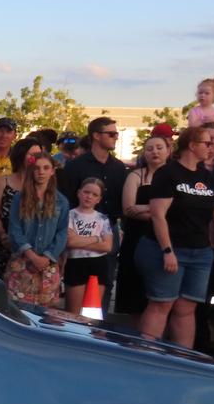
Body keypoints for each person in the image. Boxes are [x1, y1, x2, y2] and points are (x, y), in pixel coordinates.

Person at [136, 127, 214, 348]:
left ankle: (182, 357)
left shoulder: (207, 177)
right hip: (166, 248)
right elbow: (158, 215)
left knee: (187, 308)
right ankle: (145, 355)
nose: (211, 147)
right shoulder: (168, 173)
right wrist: (167, 251)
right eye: (206, 143)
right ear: (192, 146)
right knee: (161, 304)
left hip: (200, 251)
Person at [60, 116, 128, 314]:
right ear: (96, 136)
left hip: (108, 228)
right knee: (75, 289)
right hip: (77, 226)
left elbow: (120, 201)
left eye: (117, 133)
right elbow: (66, 200)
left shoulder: (118, 167)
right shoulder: (76, 166)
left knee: (105, 283)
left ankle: (99, 329)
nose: (116, 137)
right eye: (112, 133)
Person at [4, 152, 68, 307]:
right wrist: (31, 254)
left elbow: (62, 232)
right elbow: (15, 228)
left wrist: (47, 256)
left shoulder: (61, 201)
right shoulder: (20, 198)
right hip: (23, 260)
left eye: (46, 168)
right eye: (37, 168)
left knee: (44, 312)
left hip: (48, 264)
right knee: (17, 309)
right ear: (31, 170)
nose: (41, 172)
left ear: (52, 171)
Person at [118, 136, 170, 318]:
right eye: (149, 148)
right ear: (144, 153)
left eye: (159, 147)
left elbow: (180, 210)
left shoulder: (175, 176)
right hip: (136, 239)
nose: (154, 151)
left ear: (168, 151)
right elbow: (128, 209)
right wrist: (159, 212)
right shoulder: (136, 175)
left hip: (166, 240)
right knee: (133, 295)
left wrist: (146, 209)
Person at [0, 138, 40, 278]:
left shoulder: (41, 184)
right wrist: (3, 236)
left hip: (32, 246)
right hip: (5, 243)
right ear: (21, 155)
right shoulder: (4, 180)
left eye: (38, 155)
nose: (36, 159)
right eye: (32, 154)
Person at [63, 178, 115, 314]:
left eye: (94, 195)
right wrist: (96, 238)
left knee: (91, 312)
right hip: (75, 263)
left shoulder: (102, 218)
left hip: (98, 264)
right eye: (86, 192)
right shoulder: (69, 215)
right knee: (73, 312)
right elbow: (70, 242)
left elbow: (107, 247)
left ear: (99, 199)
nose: (89, 196)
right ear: (79, 193)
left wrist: (80, 240)